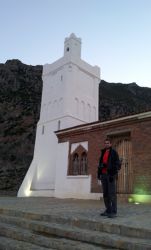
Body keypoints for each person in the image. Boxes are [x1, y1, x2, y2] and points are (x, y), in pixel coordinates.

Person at [97, 138, 121, 218]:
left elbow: (118, 164)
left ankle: (113, 211)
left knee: (112, 194)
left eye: (108, 143)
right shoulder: (103, 152)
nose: (106, 144)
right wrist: (99, 174)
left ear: (110, 144)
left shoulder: (114, 152)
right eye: (105, 143)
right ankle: (108, 210)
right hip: (103, 175)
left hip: (110, 175)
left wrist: (112, 173)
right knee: (105, 194)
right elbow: (100, 164)